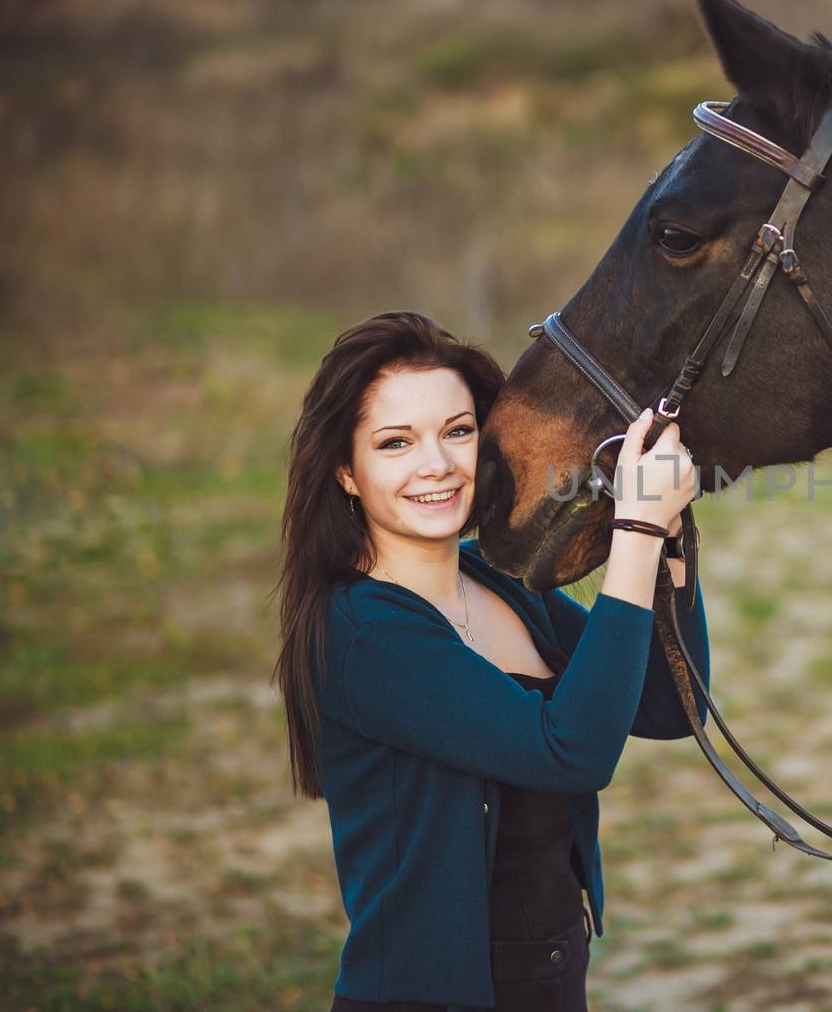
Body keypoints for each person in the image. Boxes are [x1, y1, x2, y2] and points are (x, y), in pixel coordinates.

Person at [271, 311, 708, 1012]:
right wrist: (634, 528)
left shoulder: (494, 575)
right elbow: (573, 750)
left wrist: (669, 546)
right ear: (346, 473)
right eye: (394, 443)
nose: (437, 465)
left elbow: (668, 702)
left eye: (458, 431)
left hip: (554, 981)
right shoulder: (363, 633)